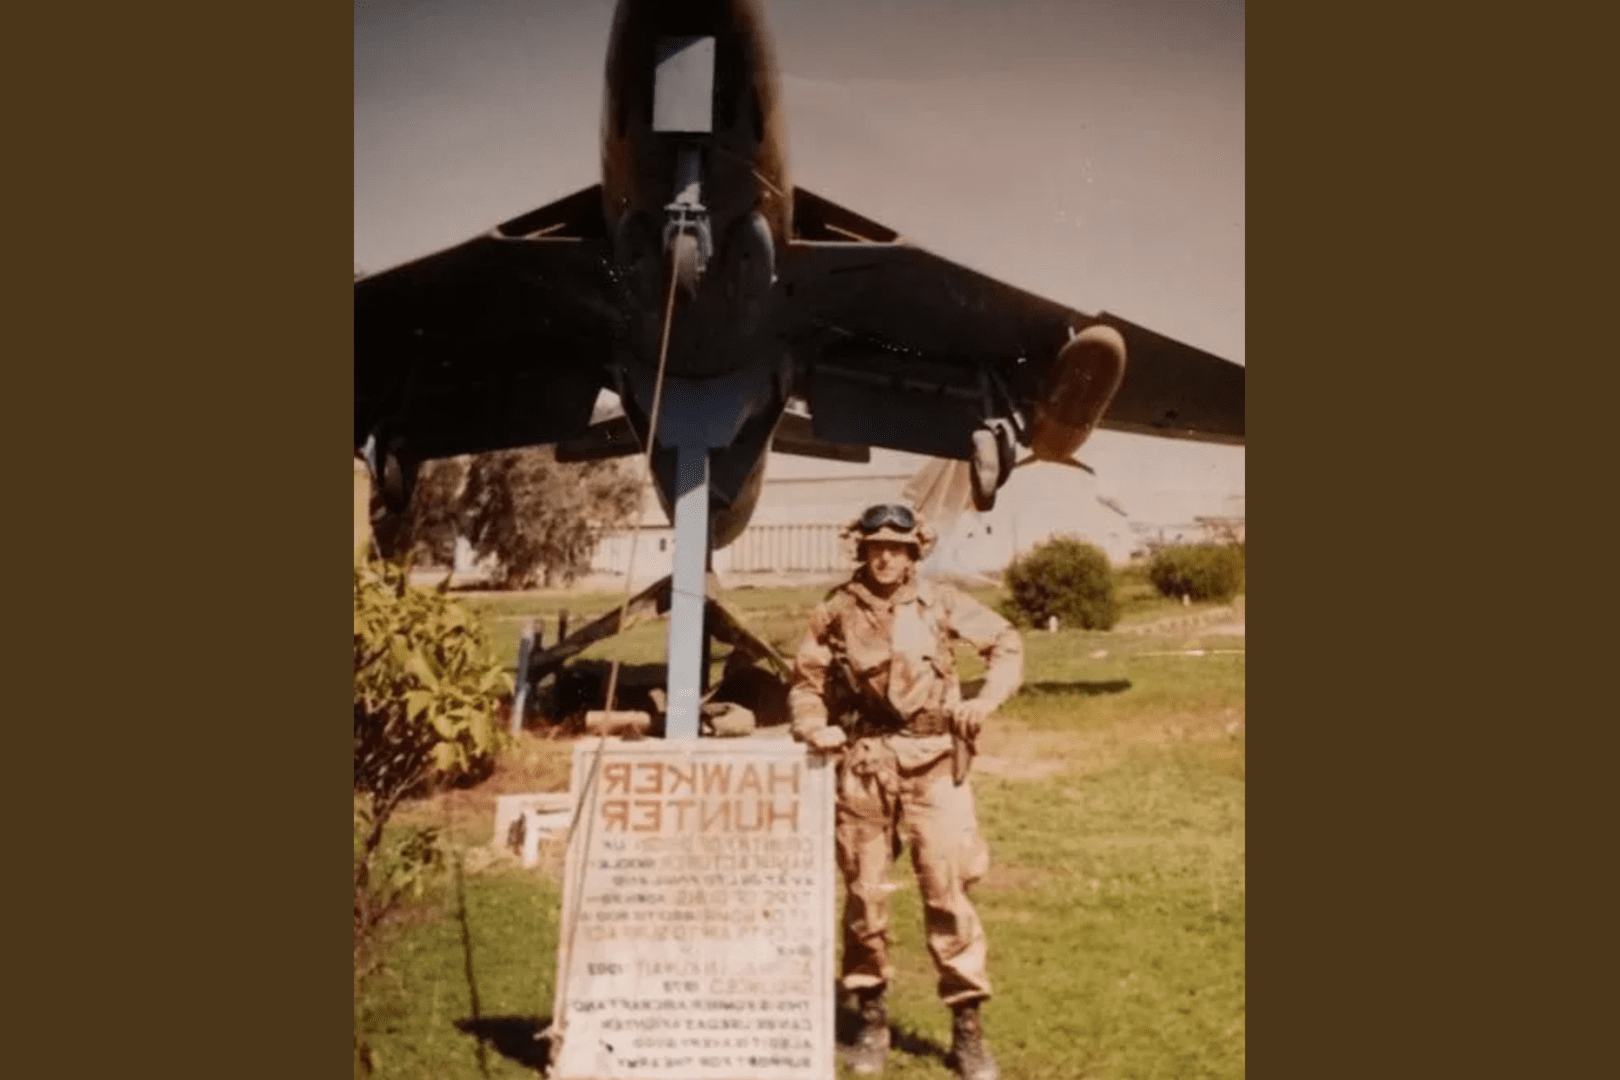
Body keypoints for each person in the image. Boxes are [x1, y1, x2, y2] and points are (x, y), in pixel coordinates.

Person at [789, 503, 1024, 1080]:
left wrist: (984, 701)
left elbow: (1006, 643)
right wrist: (812, 724)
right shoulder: (836, 610)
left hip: (936, 766)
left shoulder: (940, 602)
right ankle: (871, 1022)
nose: (886, 556)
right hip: (866, 766)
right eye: (876, 547)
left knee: (948, 895)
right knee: (865, 899)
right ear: (862, 550)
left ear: (915, 551)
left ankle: (968, 1032)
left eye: (897, 547)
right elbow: (805, 681)